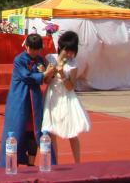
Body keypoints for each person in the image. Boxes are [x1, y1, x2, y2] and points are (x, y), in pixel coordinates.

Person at [0, 34, 56, 168]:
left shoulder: (40, 59)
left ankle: (32, 163)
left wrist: (49, 73)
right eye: (32, 49)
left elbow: (46, 79)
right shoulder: (19, 59)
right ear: (26, 46)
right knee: (15, 131)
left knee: (35, 131)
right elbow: (26, 76)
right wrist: (44, 74)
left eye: (37, 49)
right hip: (19, 99)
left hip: (34, 100)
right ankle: (8, 164)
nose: (34, 52)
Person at [42, 31, 91, 163]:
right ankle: (54, 162)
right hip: (52, 96)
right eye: (67, 51)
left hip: (66, 97)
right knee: (51, 130)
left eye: (72, 51)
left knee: (71, 131)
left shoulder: (73, 64)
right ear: (60, 47)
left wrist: (63, 75)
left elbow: (70, 87)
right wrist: (51, 71)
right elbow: (46, 81)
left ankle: (77, 162)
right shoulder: (50, 58)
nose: (69, 54)